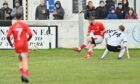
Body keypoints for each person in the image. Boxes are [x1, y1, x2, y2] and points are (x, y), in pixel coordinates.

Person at [7, 13, 32, 83]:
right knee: (25, 61)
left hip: (17, 46)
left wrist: (10, 43)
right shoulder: (24, 25)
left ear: (15, 17)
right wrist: (28, 40)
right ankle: (25, 74)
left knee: (21, 60)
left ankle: (21, 74)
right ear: (21, 17)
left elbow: (8, 36)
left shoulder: (12, 26)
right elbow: (30, 34)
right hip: (24, 45)